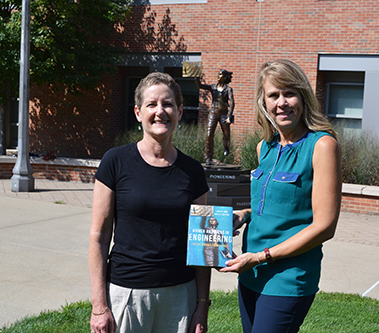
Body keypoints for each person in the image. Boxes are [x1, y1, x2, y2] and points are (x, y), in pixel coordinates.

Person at [220, 59, 342, 333]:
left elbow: (325, 227)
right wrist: (242, 215)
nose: (282, 103)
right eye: (273, 95)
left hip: (288, 278)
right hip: (251, 274)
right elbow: (266, 206)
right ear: (264, 102)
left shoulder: (322, 146)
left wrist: (262, 256)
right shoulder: (265, 146)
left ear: (303, 97)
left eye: (289, 93)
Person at [89, 72, 211, 333]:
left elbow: (201, 243)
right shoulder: (115, 161)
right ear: (137, 112)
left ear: (179, 110)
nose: (160, 112)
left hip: (180, 295)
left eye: (167, 104)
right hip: (127, 293)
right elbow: (99, 236)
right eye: (151, 104)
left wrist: (202, 305)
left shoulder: (193, 170)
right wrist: (99, 306)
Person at [195, 69, 235, 165]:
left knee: (226, 134)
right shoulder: (213, 87)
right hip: (213, 112)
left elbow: (232, 103)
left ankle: (226, 147)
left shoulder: (228, 89)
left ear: (225, 77)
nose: (218, 76)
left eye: (220, 75)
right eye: (218, 74)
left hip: (224, 114)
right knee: (209, 135)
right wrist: (196, 78)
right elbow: (200, 86)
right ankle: (208, 157)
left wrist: (229, 116)